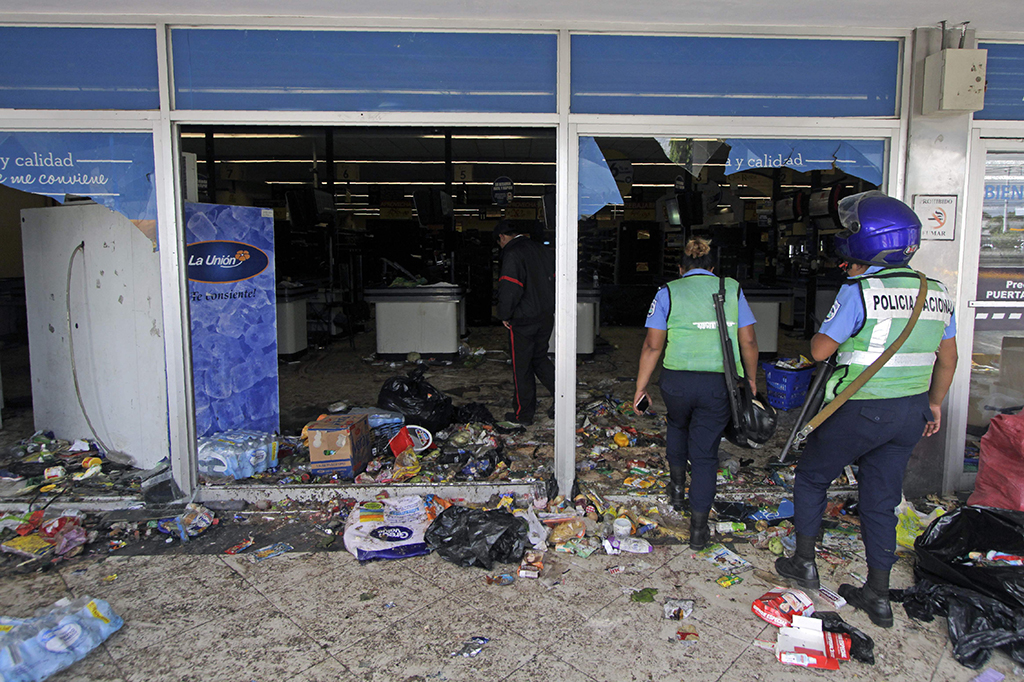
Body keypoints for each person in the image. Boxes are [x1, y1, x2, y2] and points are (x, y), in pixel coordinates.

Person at [774, 191, 958, 628]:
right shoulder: (936, 292)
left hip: (857, 409)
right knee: (880, 501)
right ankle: (877, 596)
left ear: (872, 240)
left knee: (812, 476)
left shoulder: (861, 290)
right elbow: (947, 360)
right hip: (909, 412)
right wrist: (933, 404)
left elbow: (820, 351)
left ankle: (804, 562)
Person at [633, 237, 759, 550]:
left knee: (677, 425)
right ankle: (699, 531)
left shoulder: (668, 292)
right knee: (704, 455)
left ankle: (676, 490)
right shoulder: (732, 288)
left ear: (681, 269)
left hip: (677, 381)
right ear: (712, 268)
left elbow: (652, 345)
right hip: (719, 385)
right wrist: (752, 382)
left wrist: (641, 386)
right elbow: (749, 342)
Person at [495, 220, 556, 425]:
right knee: (539, 358)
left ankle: (523, 414)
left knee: (522, 367)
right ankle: (564, 400)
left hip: (523, 320)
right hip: (546, 315)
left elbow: (510, 288)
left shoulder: (513, 254)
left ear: (503, 237)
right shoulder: (543, 250)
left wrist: (504, 314)